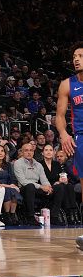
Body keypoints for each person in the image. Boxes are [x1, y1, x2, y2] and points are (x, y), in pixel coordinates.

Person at [55, 42, 83, 249]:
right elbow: (60, 115)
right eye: (74, 56)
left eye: (80, 56)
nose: (76, 59)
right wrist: (64, 133)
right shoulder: (67, 84)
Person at [13, 142, 53, 226]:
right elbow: (23, 181)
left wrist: (48, 186)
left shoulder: (38, 165)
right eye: (26, 150)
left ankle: (55, 216)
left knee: (59, 188)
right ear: (22, 152)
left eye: (31, 150)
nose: (29, 152)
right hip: (24, 188)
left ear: (33, 152)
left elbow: (44, 179)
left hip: (37, 188)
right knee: (30, 186)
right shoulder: (18, 163)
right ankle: (30, 217)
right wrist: (41, 186)